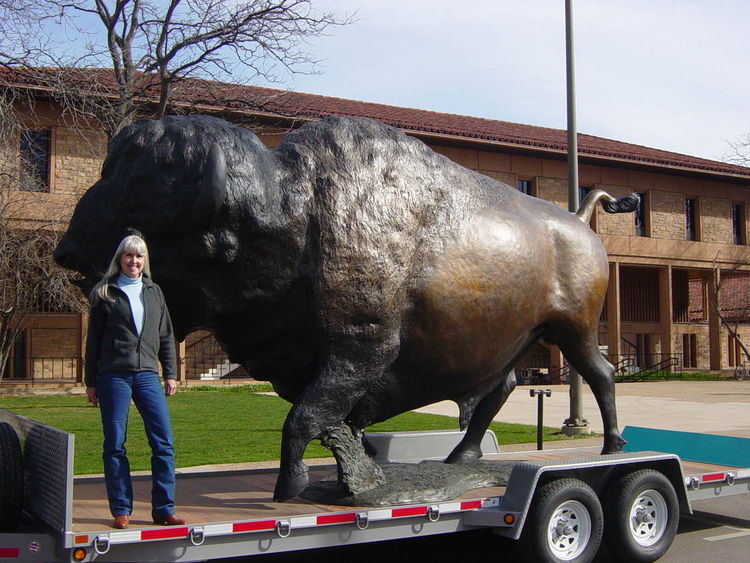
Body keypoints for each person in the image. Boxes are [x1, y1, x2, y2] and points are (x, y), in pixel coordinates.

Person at [85, 233, 185, 529]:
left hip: (146, 376)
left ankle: (164, 508)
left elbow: (166, 334)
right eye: (129, 256)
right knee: (115, 444)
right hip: (113, 375)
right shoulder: (105, 292)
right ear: (120, 259)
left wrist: (171, 372)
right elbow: (94, 342)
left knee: (164, 442)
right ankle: (121, 509)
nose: (134, 261)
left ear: (145, 261)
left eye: (139, 256)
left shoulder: (154, 292)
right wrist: (91, 382)